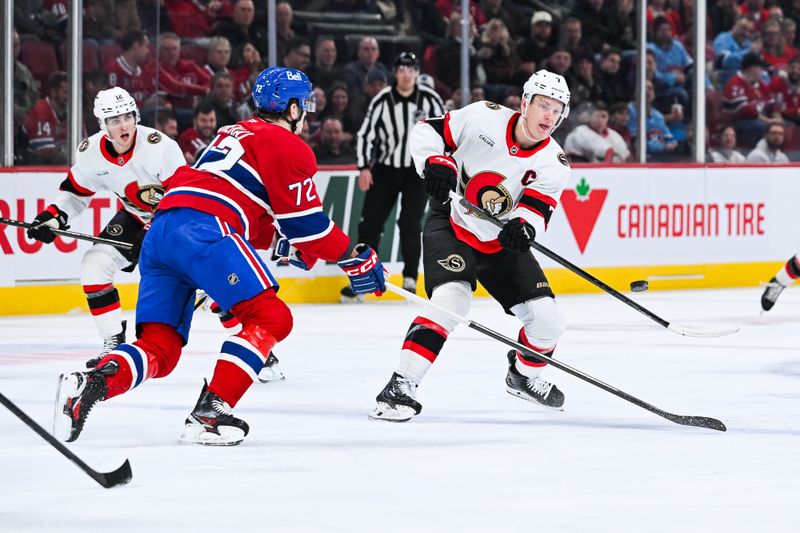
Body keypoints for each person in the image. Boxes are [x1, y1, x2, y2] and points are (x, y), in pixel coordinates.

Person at [53, 67, 387, 446]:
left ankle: (94, 383)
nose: (306, 114)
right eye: (303, 106)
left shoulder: (233, 132)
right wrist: (353, 256)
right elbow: (307, 225)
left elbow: (250, 215)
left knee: (160, 348)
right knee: (272, 316)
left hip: (161, 234)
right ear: (291, 108)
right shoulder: (288, 144)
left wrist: (286, 246)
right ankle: (210, 413)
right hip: (205, 230)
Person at [369, 69, 572, 422]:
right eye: (543, 105)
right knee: (452, 301)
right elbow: (427, 131)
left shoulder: (554, 163)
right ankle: (401, 384)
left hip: (499, 244)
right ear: (525, 103)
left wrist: (524, 227)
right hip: (452, 224)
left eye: (557, 110)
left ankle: (523, 376)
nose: (549, 116)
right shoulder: (483, 116)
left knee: (549, 322)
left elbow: (537, 208)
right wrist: (435, 161)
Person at [27, 87, 185, 359]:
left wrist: (153, 233)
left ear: (135, 115)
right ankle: (114, 340)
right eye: (114, 120)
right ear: (103, 126)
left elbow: (185, 200)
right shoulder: (91, 154)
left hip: (178, 222)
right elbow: (75, 193)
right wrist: (53, 217)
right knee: (94, 265)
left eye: (127, 117)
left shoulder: (161, 148)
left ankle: (259, 349)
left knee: (208, 281)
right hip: (136, 217)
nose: (124, 125)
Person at [341, 52, 445, 302]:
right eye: (401, 69)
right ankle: (363, 280)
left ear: (417, 73)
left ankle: (410, 277)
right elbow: (366, 134)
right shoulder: (382, 99)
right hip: (386, 169)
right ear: (395, 73)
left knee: (410, 224)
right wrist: (364, 167)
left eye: (411, 69)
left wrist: (439, 165)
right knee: (370, 225)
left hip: (417, 171)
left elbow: (444, 132)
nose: (406, 74)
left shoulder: (430, 99)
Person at [564, 102, 630, 162]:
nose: (600, 120)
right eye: (596, 116)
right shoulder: (580, 131)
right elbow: (607, 151)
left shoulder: (613, 135)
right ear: (589, 117)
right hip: (576, 170)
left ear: (608, 118)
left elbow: (627, 156)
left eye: (603, 116)